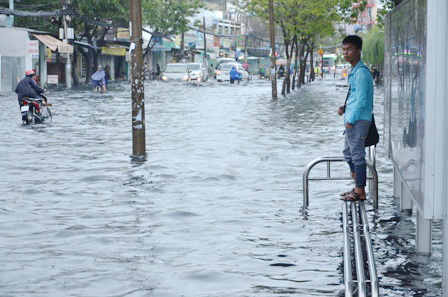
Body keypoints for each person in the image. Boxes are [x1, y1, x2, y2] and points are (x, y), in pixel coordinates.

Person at [338, 35, 374, 201]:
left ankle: (360, 191)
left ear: (358, 51)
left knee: (357, 156)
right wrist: (345, 109)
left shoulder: (361, 73)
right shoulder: (355, 72)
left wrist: (350, 120)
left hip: (357, 120)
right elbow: (355, 97)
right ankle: (356, 187)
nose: (346, 53)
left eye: (349, 49)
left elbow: (361, 100)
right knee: (348, 154)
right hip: (352, 118)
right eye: (344, 49)